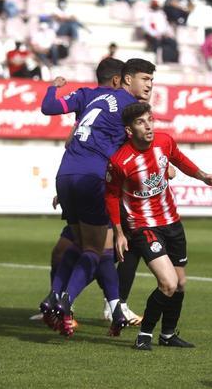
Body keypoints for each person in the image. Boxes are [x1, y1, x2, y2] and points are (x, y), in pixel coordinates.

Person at [43, 59, 156, 338]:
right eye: (145, 80)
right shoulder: (128, 106)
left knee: (79, 243)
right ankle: (64, 302)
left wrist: (51, 88)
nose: (149, 86)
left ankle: (97, 304)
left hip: (66, 174)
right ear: (122, 79)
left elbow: (63, 128)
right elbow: (140, 140)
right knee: (96, 251)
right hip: (93, 178)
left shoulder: (90, 98)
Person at [108, 103, 212, 350]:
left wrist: (203, 176)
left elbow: (179, 160)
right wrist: (118, 232)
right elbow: (112, 196)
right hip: (143, 227)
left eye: (150, 120)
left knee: (180, 283)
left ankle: (168, 335)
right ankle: (144, 335)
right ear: (129, 130)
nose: (148, 126)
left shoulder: (164, 141)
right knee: (168, 283)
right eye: (140, 122)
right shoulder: (120, 161)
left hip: (173, 223)